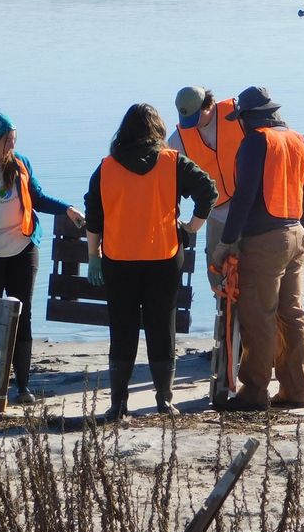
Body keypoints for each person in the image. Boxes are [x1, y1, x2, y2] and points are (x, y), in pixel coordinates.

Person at [84, 104, 216, 420]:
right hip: (164, 258)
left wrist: (93, 257)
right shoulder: (173, 163)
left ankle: (118, 405)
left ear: (123, 132)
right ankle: (164, 401)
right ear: (157, 131)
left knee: (123, 328)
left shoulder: (106, 168)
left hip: (119, 260)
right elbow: (208, 191)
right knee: (161, 327)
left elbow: (94, 216)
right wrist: (191, 228)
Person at [0, 110, 85, 405]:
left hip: (23, 250)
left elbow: (37, 197)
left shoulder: (20, 164)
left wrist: (68, 209)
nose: (12, 146)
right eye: (7, 141)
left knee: (23, 318)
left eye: (14, 139)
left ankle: (23, 388)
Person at [211, 86, 304, 411]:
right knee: (292, 314)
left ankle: (254, 392)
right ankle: (296, 390)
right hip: (296, 235)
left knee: (258, 316)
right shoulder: (298, 140)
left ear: (248, 117)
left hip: (264, 241)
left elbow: (243, 197)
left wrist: (226, 242)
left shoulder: (256, 141)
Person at [167, 86, 245, 292]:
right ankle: (223, 319)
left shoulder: (238, 116)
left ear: (207, 106)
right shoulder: (178, 139)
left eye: (196, 117)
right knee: (217, 277)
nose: (192, 125)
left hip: (250, 213)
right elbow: (167, 181)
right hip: (217, 215)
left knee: (252, 279)